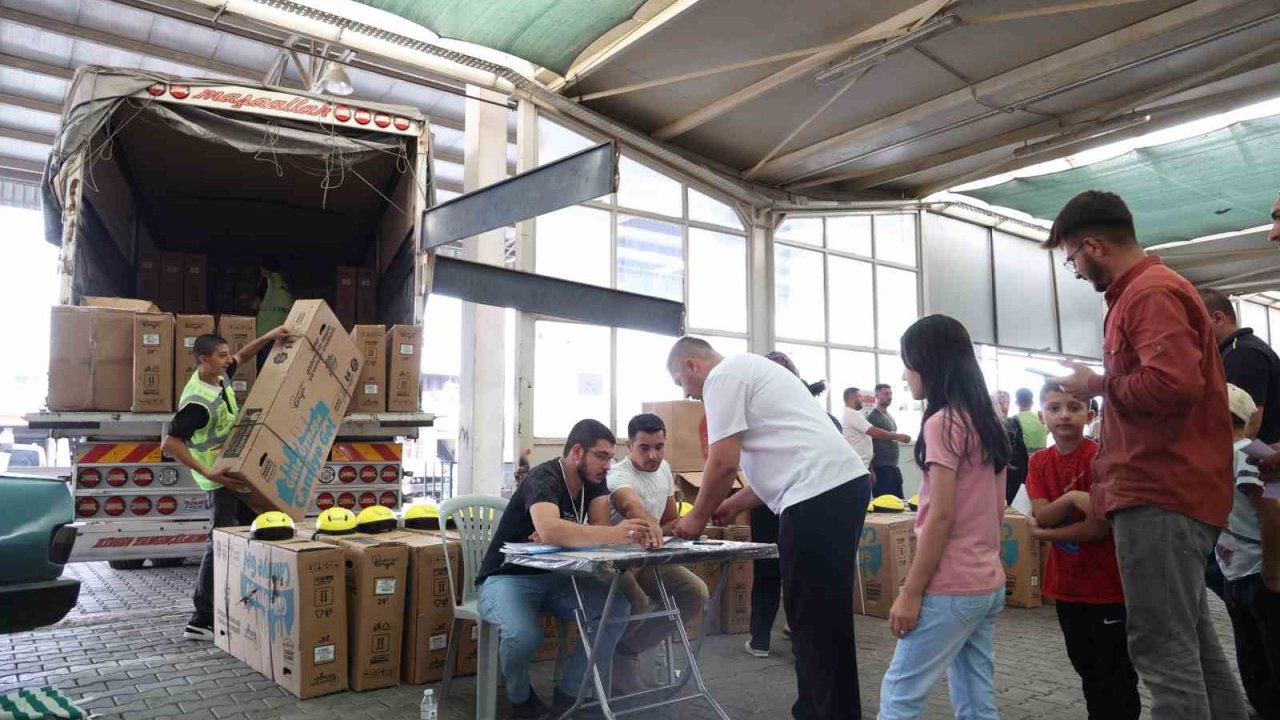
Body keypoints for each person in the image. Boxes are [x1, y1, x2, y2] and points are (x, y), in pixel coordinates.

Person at [1045, 190, 1248, 719]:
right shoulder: (1148, 292)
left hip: (1160, 495)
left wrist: (1098, 382)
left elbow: (1171, 384)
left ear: (1092, 245)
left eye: (1072, 259)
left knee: (1162, 652)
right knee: (1194, 648)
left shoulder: (1148, 294)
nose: (1076, 269)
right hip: (1169, 494)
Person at [666, 338, 870, 720]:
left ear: (692, 365)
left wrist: (696, 517)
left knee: (814, 618)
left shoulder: (723, 378)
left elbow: (723, 461)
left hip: (817, 496)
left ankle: (827, 712)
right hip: (833, 489)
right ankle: (813, 709)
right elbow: (781, 461)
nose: (686, 392)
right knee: (818, 615)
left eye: (681, 381)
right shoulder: (755, 372)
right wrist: (731, 504)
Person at [877, 315, 1009, 720]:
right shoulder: (988, 421)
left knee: (899, 696)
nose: (904, 374)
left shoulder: (943, 422)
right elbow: (998, 507)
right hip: (987, 582)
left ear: (929, 363)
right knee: (975, 699)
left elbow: (941, 516)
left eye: (908, 362)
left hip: (950, 587)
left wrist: (911, 591)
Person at [475, 419, 652, 719]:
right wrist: (569, 531)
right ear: (577, 452)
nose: (608, 465)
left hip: (558, 576)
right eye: (602, 456)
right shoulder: (543, 477)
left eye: (610, 457)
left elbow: (595, 529)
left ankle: (570, 693)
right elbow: (554, 529)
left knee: (615, 609)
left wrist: (567, 531)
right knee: (523, 635)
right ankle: (521, 700)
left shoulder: (594, 483)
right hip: (507, 577)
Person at [167, 327, 290, 641]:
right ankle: (200, 619)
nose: (227, 360)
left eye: (226, 355)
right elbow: (171, 444)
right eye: (221, 356)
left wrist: (271, 336)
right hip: (217, 478)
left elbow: (242, 355)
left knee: (249, 533)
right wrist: (208, 474)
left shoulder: (218, 377)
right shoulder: (197, 401)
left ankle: (241, 603)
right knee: (220, 542)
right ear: (204, 360)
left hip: (234, 471)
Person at [1025, 383, 1140, 720]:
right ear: (1041, 415)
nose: (1064, 415)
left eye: (1074, 407)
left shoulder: (1101, 458)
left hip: (1108, 586)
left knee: (1115, 672)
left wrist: (1051, 527)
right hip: (1066, 585)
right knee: (1086, 667)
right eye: (1055, 407)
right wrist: (1075, 501)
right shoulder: (1039, 462)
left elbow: (1098, 528)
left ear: (1090, 416)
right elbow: (1042, 513)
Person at [607, 413, 709, 695]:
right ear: (629, 446)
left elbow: (668, 520)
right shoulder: (619, 476)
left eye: (659, 447)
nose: (653, 455)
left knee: (695, 594)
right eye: (644, 448)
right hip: (617, 563)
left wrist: (686, 525)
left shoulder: (664, 469)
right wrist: (653, 527)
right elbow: (632, 507)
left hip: (649, 557)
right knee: (638, 604)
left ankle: (626, 652)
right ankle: (602, 662)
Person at [1216, 384, 1280, 719]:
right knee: (1254, 654)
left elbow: (1272, 512)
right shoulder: (1241, 450)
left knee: (1261, 657)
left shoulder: (1245, 452)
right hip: (1238, 569)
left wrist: (1271, 571)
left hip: (1257, 573)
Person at [1201, 289, 1280, 443]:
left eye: (1194, 323)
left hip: (1261, 460)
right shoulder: (1236, 349)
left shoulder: (1242, 353)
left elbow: (1247, 424)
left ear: (1217, 319)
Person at [843, 386, 911, 478]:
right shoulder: (852, 413)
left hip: (876, 466)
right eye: (859, 396)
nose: (862, 399)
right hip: (876, 466)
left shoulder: (857, 414)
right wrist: (898, 436)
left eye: (891, 394)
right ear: (852, 397)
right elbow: (874, 432)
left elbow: (868, 442)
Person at [867, 383, 912, 498]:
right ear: (876, 396)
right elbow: (868, 443)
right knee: (884, 505)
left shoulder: (888, 414)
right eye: (886, 394)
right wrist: (871, 469)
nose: (890, 396)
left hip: (892, 467)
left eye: (890, 394)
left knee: (899, 502)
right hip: (881, 468)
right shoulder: (873, 417)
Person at [251, 259, 293, 369]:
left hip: (266, 333)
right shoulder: (285, 286)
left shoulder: (267, 282)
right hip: (282, 333)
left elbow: (255, 305)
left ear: (262, 269)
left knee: (262, 369)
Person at [993, 390, 1029, 507]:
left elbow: (1021, 451)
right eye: (1000, 402)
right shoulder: (986, 426)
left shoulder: (1013, 422)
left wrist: (1025, 478)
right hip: (997, 475)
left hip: (1014, 475)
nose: (1005, 406)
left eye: (1007, 402)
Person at [1013, 388, 1048, 453]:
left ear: (1016, 402)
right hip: (1043, 459)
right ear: (1032, 403)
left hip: (1022, 460)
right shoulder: (1042, 417)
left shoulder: (1013, 420)